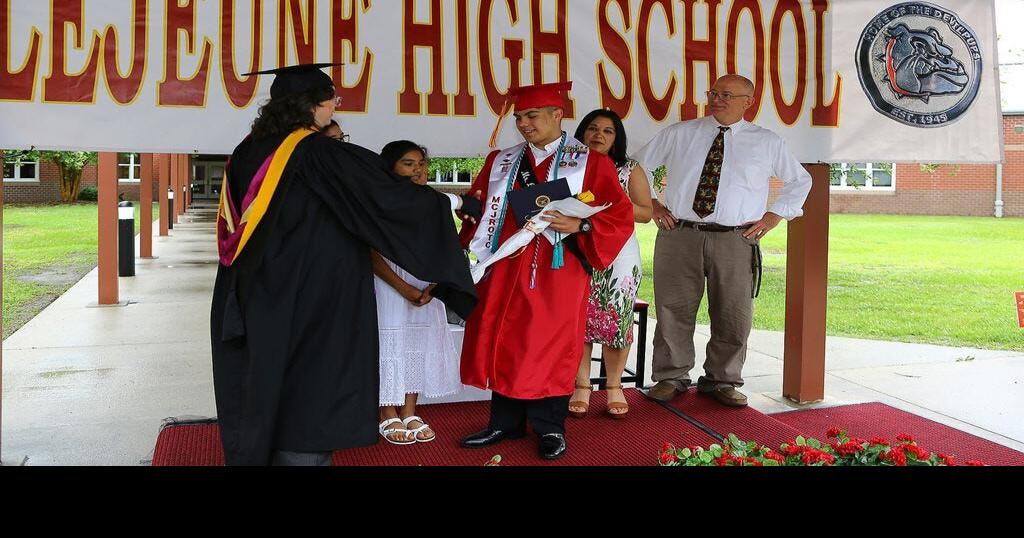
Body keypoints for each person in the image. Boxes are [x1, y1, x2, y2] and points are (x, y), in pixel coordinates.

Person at [211, 63, 482, 465]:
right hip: (311, 291)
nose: (336, 105)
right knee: (311, 379)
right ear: (314, 106)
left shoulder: (247, 151)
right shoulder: (317, 152)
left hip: (254, 287)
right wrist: (457, 203)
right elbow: (389, 197)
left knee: (264, 374)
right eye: (333, 99)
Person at [456, 81, 635, 460]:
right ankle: (504, 423)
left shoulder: (591, 162)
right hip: (506, 266)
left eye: (532, 116)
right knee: (505, 337)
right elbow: (479, 207)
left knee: (550, 343)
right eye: (519, 117)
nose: (523, 123)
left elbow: (619, 216)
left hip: (559, 269)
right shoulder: (501, 161)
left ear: (557, 115)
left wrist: (583, 226)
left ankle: (550, 427)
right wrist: (469, 211)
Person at [634, 74, 812, 408]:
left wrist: (774, 216)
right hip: (679, 233)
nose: (717, 99)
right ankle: (671, 376)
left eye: (727, 94)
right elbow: (637, 167)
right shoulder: (680, 133)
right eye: (713, 92)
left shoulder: (766, 141)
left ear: (749, 101)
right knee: (673, 308)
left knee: (733, 312)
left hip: (735, 237)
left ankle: (723, 379)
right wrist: (654, 204)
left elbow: (800, 180)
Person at [372, 140, 462, 445]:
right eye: (408, 164)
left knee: (417, 342)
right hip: (387, 282)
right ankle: (387, 411)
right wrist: (404, 288)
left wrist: (432, 286)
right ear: (390, 168)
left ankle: (410, 410)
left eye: (421, 164)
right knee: (388, 342)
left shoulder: (434, 202)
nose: (418, 170)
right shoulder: (378, 203)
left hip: (425, 284)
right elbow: (370, 252)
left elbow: (447, 247)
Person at [568, 109, 653, 420]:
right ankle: (581, 385)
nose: (598, 135)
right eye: (592, 128)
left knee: (615, 319)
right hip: (576, 250)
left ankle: (614, 387)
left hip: (620, 255)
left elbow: (645, 212)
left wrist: (608, 205)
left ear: (617, 139)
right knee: (578, 317)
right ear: (581, 133)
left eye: (607, 131)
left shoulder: (629, 169)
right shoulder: (567, 168)